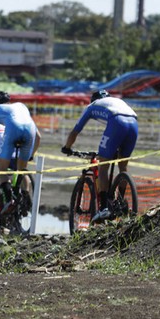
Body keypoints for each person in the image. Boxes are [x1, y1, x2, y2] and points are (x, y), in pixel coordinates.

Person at [61, 90, 138, 222]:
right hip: (134, 123)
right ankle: (120, 202)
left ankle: (103, 208)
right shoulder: (115, 101)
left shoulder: (92, 106)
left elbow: (75, 131)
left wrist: (67, 147)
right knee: (123, 166)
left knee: (103, 166)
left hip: (117, 121)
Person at [0, 91, 41, 210]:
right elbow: (38, 137)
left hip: (7, 147)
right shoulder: (17, 112)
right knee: (21, 171)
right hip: (25, 141)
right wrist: (31, 155)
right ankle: (26, 195)